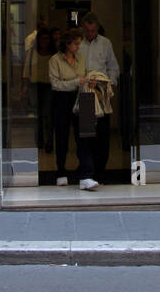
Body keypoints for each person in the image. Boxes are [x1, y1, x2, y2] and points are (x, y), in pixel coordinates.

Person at [48, 28, 97, 190]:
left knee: (85, 137)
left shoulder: (81, 58)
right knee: (61, 136)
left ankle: (86, 175)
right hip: (62, 98)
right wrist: (77, 81)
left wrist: (90, 81)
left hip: (83, 96)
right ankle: (61, 172)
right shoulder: (54, 60)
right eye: (75, 44)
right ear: (67, 44)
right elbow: (55, 84)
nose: (78, 47)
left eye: (79, 43)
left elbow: (85, 74)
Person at [79, 13, 120, 181]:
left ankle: (101, 170)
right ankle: (88, 170)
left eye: (93, 31)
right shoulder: (78, 44)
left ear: (97, 28)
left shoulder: (105, 43)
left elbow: (113, 67)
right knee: (87, 135)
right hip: (85, 93)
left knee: (102, 135)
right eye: (87, 31)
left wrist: (108, 85)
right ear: (83, 29)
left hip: (101, 93)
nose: (90, 34)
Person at [22, 28, 56, 153]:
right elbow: (26, 70)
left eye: (47, 38)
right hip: (35, 85)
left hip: (49, 86)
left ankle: (49, 142)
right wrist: (25, 87)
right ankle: (39, 141)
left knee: (48, 115)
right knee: (38, 116)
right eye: (42, 39)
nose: (44, 41)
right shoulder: (32, 52)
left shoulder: (54, 54)